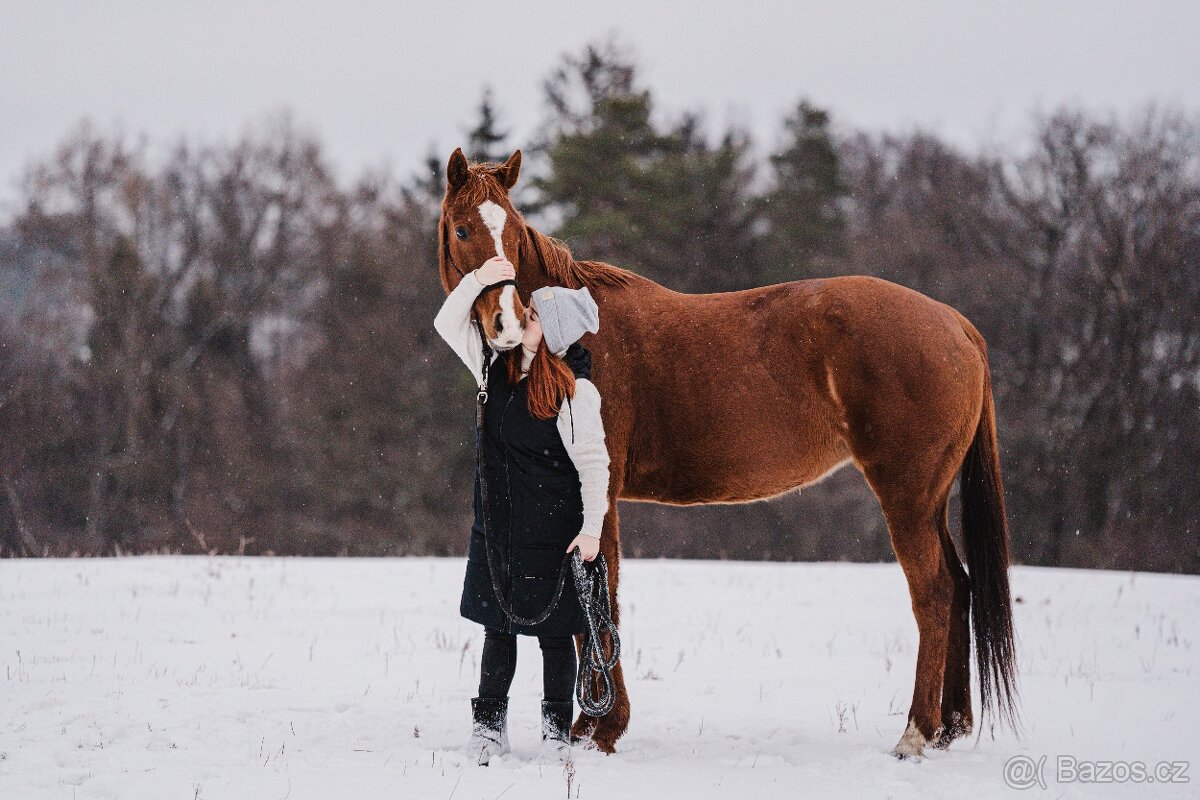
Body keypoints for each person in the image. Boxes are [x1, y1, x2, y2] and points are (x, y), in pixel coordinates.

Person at [433, 255, 611, 766]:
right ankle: (488, 731)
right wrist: (479, 280)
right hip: (498, 529)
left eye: (531, 316)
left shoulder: (576, 393)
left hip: (552, 534)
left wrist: (592, 531)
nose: (521, 316)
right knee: (498, 630)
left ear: (550, 334)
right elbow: (447, 324)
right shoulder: (494, 364)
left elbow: (594, 466)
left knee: (555, 638)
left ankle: (556, 736)